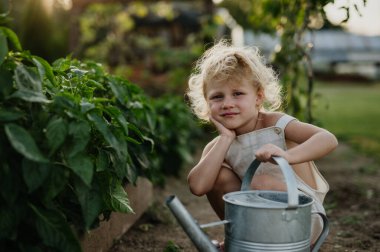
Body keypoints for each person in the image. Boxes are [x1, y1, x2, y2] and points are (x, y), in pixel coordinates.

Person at [186, 39, 338, 249]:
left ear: (258, 98)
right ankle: (241, 239)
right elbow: (197, 186)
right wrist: (225, 138)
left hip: (302, 218)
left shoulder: (275, 124)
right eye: (217, 97)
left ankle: (278, 245)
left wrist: (288, 156)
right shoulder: (219, 144)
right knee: (218, 175)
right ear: (207, 104)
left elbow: (327, 139)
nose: (227, 103)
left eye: (238, 93)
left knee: (262, 183)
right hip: (257, 221)